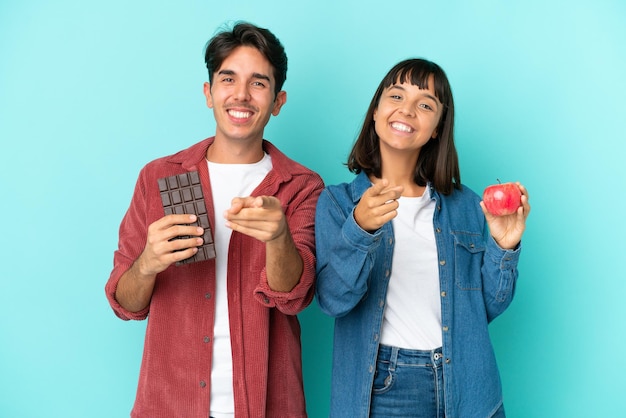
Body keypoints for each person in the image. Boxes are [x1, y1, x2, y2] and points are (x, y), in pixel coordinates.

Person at [105, 21, 324, 418]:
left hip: (268, 404)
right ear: (208, 93)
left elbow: (294, 297)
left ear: (278, 101)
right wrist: (148, 263)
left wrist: (279, 240)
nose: (241, 94)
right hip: (168, 405)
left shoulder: (300, 186)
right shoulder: (159, 177)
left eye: (259, 83)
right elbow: (125, 304)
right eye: (228, 79)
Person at [315, 58, 530, 418]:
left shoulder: (465, 206)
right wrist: (361, 228)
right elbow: (333, 301)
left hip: (468, 385)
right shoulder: (338, 203)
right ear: (375, 111)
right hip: (386, 388)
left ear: (436, 129)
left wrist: (503, 248)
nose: (408, 109)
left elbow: (485, 309)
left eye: (425, 104)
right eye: (396, 95)